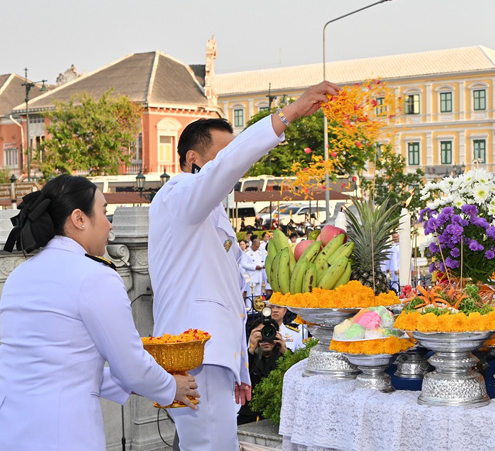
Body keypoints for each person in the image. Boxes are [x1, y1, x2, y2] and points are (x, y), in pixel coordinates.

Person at [147, 81, 339, 450]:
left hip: (211, 355)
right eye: (223, 156)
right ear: (193, 160)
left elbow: (224, 292)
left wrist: (238, 364)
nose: (231, 166)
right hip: (193, 352)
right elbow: (227, 168)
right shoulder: (178, 194)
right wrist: (288, 115)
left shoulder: (207, 209)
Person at [0, 175, 198, 450]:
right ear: (79, 219)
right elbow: (130, 365)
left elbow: (60, 366)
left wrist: (141, 381)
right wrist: (171, 387)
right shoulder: (95, 277)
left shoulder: (19, 276)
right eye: (104, 212)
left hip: (11, 429)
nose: (110, 223)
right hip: (64, 432)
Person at [237, 318, 288, 425]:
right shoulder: (247, 357)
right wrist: (251, 349)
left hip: (276, 415)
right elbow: (239, 376)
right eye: (261, 333)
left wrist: (286, 352)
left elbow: (295, 374)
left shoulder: (285, 356)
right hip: (249, 415)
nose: (266, 337)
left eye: (269, 332)